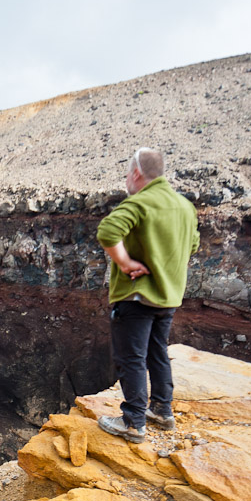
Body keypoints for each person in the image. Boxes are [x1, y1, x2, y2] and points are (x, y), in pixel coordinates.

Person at [94, 147, 199, 443]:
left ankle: (132, 421)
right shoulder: (184, 206)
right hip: (167, 297)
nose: (127, 179)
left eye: (128, 173)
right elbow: (192, 245)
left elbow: (107, 231)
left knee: (131, 358)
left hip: (137, 298)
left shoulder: (140, 203)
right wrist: (161, 264)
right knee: (157, 352)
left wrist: (127, 263)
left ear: (137, 173)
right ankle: (162, 411)